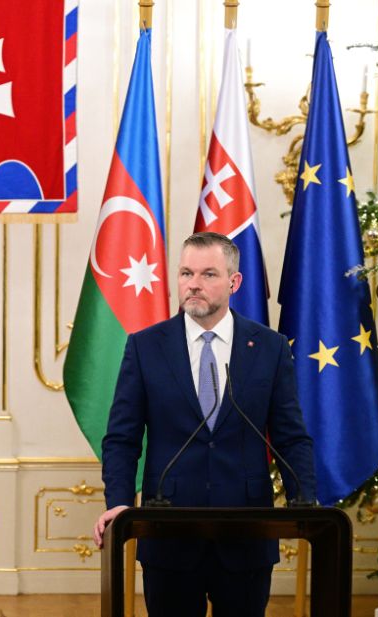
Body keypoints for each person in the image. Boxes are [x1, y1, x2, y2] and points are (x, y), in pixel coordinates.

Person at [92, 232, 316, 617]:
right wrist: (121, 504)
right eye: (186, 273)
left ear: (234, 282)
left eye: (208, 274)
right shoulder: (145, 346)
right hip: (167, 534)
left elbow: (291, 436)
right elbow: (121, 439)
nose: (193, 284)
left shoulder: (269, 347)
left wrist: (305, 502)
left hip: (247, 534)